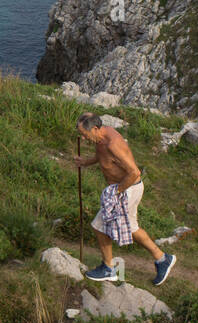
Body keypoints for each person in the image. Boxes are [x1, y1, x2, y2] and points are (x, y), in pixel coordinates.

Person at [75, 112, 176, 287]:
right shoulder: (101, 138)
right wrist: (85, 162)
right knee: (132, 228)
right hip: (124, 189)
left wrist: (117, 192)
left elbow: (134, 172)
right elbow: (103, 157)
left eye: (85, 134)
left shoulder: (113, 143)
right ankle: (162, 258)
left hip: (128, 189)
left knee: (99, 225)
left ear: (96, 128)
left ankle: (109, 268)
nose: (83, 139)